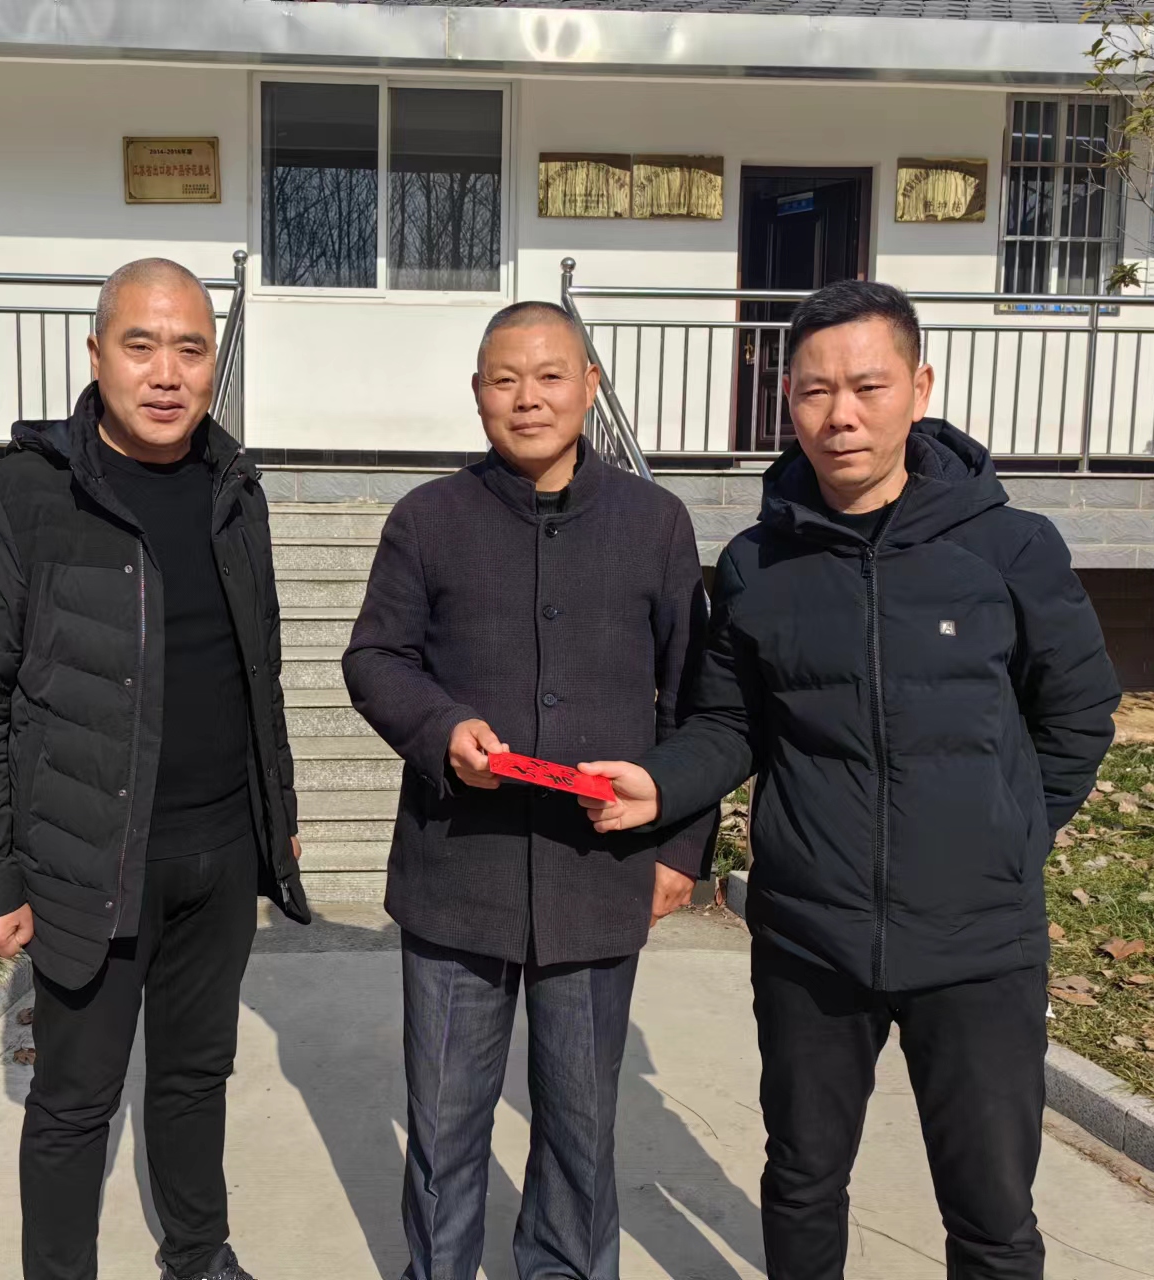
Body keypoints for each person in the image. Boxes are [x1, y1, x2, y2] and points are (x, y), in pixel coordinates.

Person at [580, 280, 1121, 1280]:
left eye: (868, 386)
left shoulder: (1011, 548)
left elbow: (1079, 711)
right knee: (801, 1181)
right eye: (814, 390)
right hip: (810, 938)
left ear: (919, 388)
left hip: (978, 944)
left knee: (992, 1214)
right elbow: (729, 722)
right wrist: (661, 785)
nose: (841, 415)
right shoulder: (756, 563)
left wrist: (1008, 836)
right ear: (787, 401)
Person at [0, 257, 308, 1280]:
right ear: (96, 354)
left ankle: (198, 1253)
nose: (166, 373)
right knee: (73, 1101)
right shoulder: (24, 497)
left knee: (195, 1077)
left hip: (218, 853)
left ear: (214, 363)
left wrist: (276, 812)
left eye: (190, 348)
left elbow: (255, 666)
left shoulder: (235, 489)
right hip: (91, 858)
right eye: (141, 345)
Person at [342, 301, 717, 1280]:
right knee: (443, 1128)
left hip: (598, 871)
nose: (528, 398)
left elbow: (696, 698)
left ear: (589, 385)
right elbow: (375, 656)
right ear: (477, 394)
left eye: (550, 375)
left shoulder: (654, 523)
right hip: (455, 872)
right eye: (504, 379)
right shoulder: (427, 519)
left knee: (581, 1132)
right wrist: (439, 728)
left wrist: (680, 845)